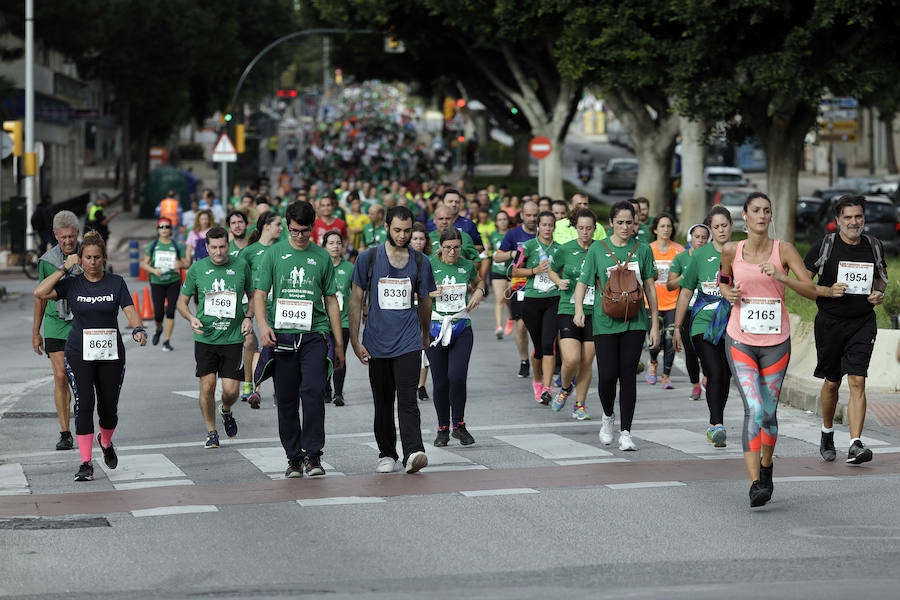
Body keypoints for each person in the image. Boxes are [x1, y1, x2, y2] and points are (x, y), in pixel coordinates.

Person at [718, 192, 817, 507]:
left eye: (767, 211)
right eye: (756, 210)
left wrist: (783, 278)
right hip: (741, 339)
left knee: (770, 414)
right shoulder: (731, 249)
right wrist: (727, 292)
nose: (762, 216)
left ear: (771, 217)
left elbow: (812, 291)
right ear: (744, 215)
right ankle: (754, 484)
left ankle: (767, 465)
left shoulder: (783, 250)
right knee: (755, 410)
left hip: (776, 343)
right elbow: (721, 279)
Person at [34, 231, 147, 481]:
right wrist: (64, 267)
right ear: (80, 259)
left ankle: (105, 441)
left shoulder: (116, 283)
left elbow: (130, 310)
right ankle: (86, 462)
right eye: (87, 257)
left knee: (109, 409)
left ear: (103, 258)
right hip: (78, 352)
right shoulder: (73, 283)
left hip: (111, 353)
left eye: (97, 257)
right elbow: (40, 292)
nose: (93, 262)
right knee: (84, 403)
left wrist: (138, 329)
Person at [253, 201, 345, 478]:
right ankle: (294, 457)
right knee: (287, 398)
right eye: (294, 231)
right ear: (287, 226)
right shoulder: (273, 254)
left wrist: (338, 344)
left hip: (314, 334)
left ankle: (313, 455)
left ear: (313, 227)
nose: (299, 236)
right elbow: (259, 294)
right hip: (282, 335)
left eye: (304, 231)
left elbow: (331, 301)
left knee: (313, 393)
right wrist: (263, 326)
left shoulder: (321, 257)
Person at [348, 205, 436, 475]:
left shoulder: (420, 261)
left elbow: (425, 302)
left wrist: (425, 332)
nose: (402, 235)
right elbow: (355, 300)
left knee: (408, 398)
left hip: (408, 340)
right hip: (376, 341)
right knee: (383, 400)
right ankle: (386, 452)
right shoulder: (368, 258)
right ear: (386, 227)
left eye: (408, 230)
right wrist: (354, 339)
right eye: (397, 230)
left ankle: (413, 452)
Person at [803, 194, 888, 464]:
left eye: (858, 216)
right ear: (837, 220)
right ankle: (827, 433)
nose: (854, 222)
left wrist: (878, 294)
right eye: (848, 217)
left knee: (858, 379)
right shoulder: (824, 246)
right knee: (832, 382)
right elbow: (803, 284)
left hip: (862, 322)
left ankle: (855, 443)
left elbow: (881, 279)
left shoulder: (874, 245)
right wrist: (827, 291)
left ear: (864, 218)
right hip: (830, 323)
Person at [573, 201, 660, 451]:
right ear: (611, 223)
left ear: (636, 223)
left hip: (635, 321)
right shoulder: (598, 250)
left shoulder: (642, 249)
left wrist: (654, 322)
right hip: (605, 321)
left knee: (628, 376)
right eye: (620, 222)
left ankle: (626, 432)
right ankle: (608, 416)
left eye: (629, 222)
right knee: (608, 375)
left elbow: (651, 287)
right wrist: (579, 310)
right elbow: (583, 283)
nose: (625, 227)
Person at [177, 227, 255, 449]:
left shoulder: (241, 266)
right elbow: (181, 303)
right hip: (206, 338)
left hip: (233, 338)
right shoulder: (197, 269)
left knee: (231, 391)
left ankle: (226, 409)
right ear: (207, 247)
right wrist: (191, 318)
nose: (218, 252)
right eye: (214, 247)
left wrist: (249, 317)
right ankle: (211, 432)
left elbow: (252, 296)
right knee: (208, 386)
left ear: (228, 245)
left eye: (222, 247)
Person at [673, 210, 731, 447]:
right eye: (716, 226)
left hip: (732, 322)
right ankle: (716, 425)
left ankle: (716, 421)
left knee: (725, 375)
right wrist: (677, 327)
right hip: (702, 323)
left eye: (725, 225)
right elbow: (686, 291)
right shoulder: (699, 255)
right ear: (710, 230)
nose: (721, 230)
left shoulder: (742, 252)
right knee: (714, 371)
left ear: (731, 226)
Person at [426, 227, 484, 446]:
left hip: (461, 325)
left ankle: (458, 425)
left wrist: (479, 292)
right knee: (440, 381)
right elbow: (415, 290)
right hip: (435, 327)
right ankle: (442, 428)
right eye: (448, 247)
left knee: (457, 376)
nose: (452, 252)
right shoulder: (429, 265)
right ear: (440, 246)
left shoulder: (467, 265)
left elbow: (479, 282)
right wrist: (429, 293)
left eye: (456, 247)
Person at [32, 210, 81, 450]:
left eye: (71, 237)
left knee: (81, 380)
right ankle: (65, 432)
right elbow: (40, 297)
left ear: (77, 234)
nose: (68, 241)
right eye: (63, 237)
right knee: (60, 376)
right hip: (55, 322)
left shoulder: (89, 254)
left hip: (82, 322)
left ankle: (85, 425)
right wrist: (35, 332)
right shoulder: (47, 261)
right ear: (55, 235)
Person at [550, 208, 598, 420]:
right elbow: (551, 269)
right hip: (568, 308)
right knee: (571, 359)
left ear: (595, 229)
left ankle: (580, 405)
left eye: (589, 228)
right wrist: (558, 281)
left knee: (587, 361)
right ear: (575, 228)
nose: (585, 232)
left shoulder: (600, 250)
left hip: (595, 311)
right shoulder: (565, 249)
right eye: (581, 228)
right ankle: (565, 387)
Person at [511, 210, 560, 404]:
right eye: (545, 225)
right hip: (531, 301)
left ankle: (547, 388)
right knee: (538, 347)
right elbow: (514, 270)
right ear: (538, 226)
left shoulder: (560, 249)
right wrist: (534, 270)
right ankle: (537, 381)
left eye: (551, 225)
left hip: (553, 299)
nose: (548, 228)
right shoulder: (528, 246)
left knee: (549, 343)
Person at [238, 211, 283, 408]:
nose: (281, 229)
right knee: (255, 345)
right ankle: (252, 386)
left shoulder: (282, 250)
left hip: (278, 306)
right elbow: (240, 279)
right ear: (266, 226)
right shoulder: (249, 252)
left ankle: (277, 389)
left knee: (275, 347)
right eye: (278, 225)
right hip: (254, 306)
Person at [494, 201, 538, 377]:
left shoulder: (545, 231)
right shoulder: (513, 234)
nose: (532, 219)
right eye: (528, 215)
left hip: (541, 285)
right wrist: (512, 253)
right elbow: (497, 257)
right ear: (522, 216)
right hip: (520, 285)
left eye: (535, 215)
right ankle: (524, 360)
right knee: (521, 327)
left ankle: (544, 358)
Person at [667, 223, 710, 401]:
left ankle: (707, 378)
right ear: (690, 238)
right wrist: (686, 277)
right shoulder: (681, 258)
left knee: (708, 349)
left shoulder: (712, 257)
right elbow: (670, 285)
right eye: (697, 237)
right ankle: (695, 385)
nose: (700, 240)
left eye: (704, 237)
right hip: (687, 311)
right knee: (691, 351)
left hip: (706, 310)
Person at [647, 213, 684, 388]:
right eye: (662, 226)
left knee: (670, 339)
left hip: (673, 303)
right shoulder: (648, 250)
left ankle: (666, 375)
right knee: (656, 342)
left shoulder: (679, 250)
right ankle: (653, 362)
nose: (666, 229)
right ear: (655, 229)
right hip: (651, 304)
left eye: (669, 226)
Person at [141, 217, 186, 352]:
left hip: (173, 281)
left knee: (171, 310)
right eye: (161, 227)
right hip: (157, 282)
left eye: (167, 227)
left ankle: (167, 341)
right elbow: (144, 264)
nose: (164, 229)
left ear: (171, 230)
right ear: (158, 230)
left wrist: (181, 264)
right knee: (159, 313)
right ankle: (159, 328)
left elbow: (186, 262)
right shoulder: (153, 246)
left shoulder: (176, 245)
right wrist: (154, 270)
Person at [323, 231, 353, 407]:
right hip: (322, 322)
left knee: (338, 354)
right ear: (324, 246)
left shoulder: (349, 267)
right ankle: (325, 390)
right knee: (323, 357)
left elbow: (356, 296)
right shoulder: (320, 265)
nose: (335, 246)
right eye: (331, 243)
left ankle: (338, 393)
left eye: (338, 243)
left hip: (343, 321)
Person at [410, 223, 433, 401]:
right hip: (407, 309)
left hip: (425, 308)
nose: (418, 242)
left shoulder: (430, 261)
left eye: (421, 239)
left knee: (424, 346)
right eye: (415, 239)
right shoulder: (401, 260)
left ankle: (421, 385)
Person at [489, 210, 512, 338]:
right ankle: (499, 326)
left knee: (508, 298)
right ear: (496, 222)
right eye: (500, 219)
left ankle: (510, 317)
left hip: (510, 271)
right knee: (500, 298)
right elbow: (489, 251)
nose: (503, 222)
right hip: (497, 270)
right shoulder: (493, 235)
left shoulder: (512, 234)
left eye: (505, 219)